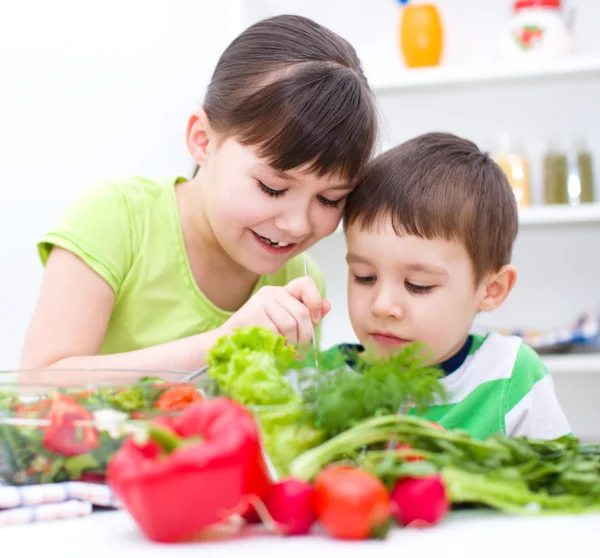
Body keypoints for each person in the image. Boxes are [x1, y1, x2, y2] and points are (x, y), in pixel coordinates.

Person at [20, 15, 378, 384]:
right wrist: (223, 342)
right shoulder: (115, 216)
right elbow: (36, 384)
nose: (298, 224)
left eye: (330, 199)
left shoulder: (301, 282)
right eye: (272, 188)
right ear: (203, 141)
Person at [334, 132, 571, 440]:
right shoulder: (322, 376)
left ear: (491, 290)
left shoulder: (509, 373)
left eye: (418, 285)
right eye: (364, 276)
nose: (381, 305)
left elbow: (559, 481)